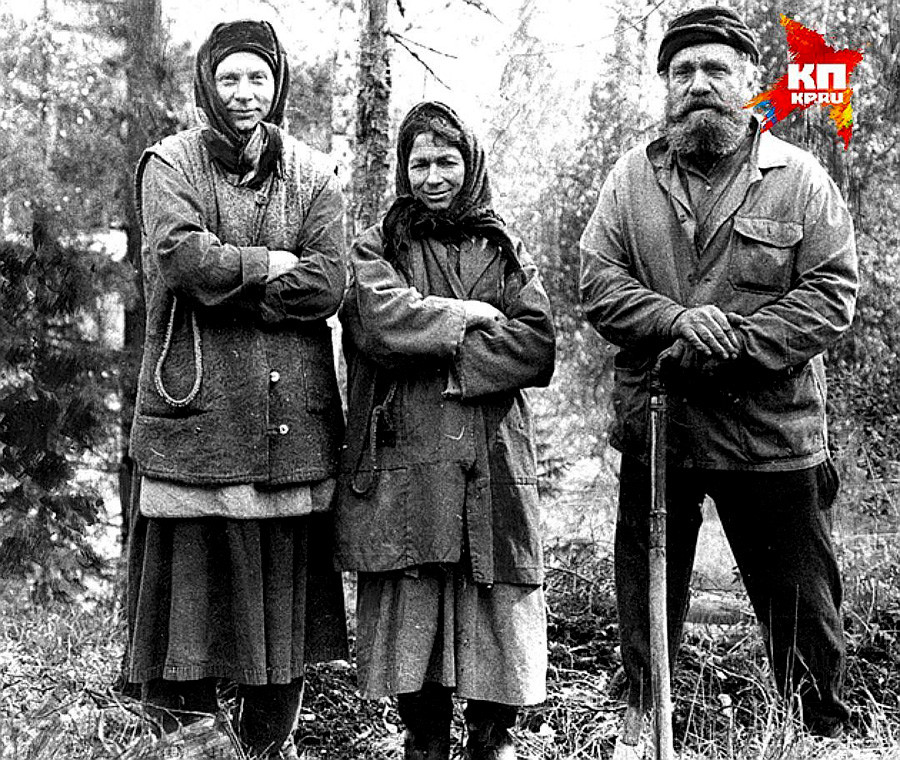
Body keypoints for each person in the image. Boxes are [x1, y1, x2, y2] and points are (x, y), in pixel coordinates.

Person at [579, 5, 858, 740]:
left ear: (749, 80)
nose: (699, 83)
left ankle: (815, 735)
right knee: (647, 601)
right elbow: (597, 283)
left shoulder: (798, 179)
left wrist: (734, 341)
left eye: (715, 69)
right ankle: (646, 726)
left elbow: (831, 294)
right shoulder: (630, 180)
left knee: (801, 605)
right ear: (665, 85)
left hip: (771, 433)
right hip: (661, 427)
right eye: (683, 71)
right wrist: (674, 320)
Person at [125, 20, 348, 760]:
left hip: (288, 425)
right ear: (206, 85)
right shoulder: (171, 163)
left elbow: (329, 282)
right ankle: (188, 743)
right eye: (229, 79)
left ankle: (264, 746)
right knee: (186, 617)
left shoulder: (313, 174)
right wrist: (272, 264)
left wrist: (237, 279)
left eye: (258, 78)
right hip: (196, 415)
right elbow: (183, 258)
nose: (244, 94)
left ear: (276, 85)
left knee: (279, 625)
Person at [335, 101, 556, 760]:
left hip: (492, 454)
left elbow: (536, 344)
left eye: (447, 162)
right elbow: (380, 322)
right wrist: (468, 315)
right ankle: (424, 740)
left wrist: (444, 358)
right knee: (416, 598)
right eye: (420, 163)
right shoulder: (380, 244)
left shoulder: (502, 246)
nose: (433, 177)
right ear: (403, 170)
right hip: (409, 451)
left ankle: (494, 740)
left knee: (497, 594)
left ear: (471, 164)